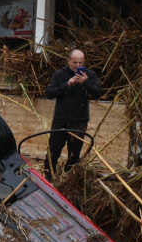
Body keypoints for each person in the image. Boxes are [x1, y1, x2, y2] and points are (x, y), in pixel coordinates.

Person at [44, 48, 102, 179]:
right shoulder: (60, 74)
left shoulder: (90, 75)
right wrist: (67, 84)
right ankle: (48, 177)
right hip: (61, 119)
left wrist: (85, 82)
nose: (78, 66)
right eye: (75, 63)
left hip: (79, 121)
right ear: (68, 61)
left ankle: (68, 179)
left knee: (74, 154)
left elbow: (98, 93)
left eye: (81, 63)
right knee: (53, 150)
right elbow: (49, 93)